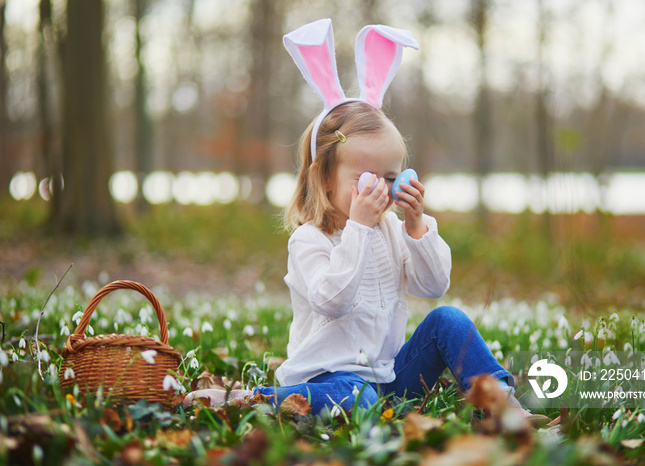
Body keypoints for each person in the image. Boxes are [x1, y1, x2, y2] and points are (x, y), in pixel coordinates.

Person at [185, 19, 525, 416]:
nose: (381, 188)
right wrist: (359, 229)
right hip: (326, 379)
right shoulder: (309, 240)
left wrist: (416, 226)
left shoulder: (393, 230)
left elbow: (433, 286)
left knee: (447, 320)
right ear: (325, 178)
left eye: (391, 177)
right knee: (357, 397)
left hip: (389, 379)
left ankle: (502, 404)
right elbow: (332, 301)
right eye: (365, 178)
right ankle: (254, 398)